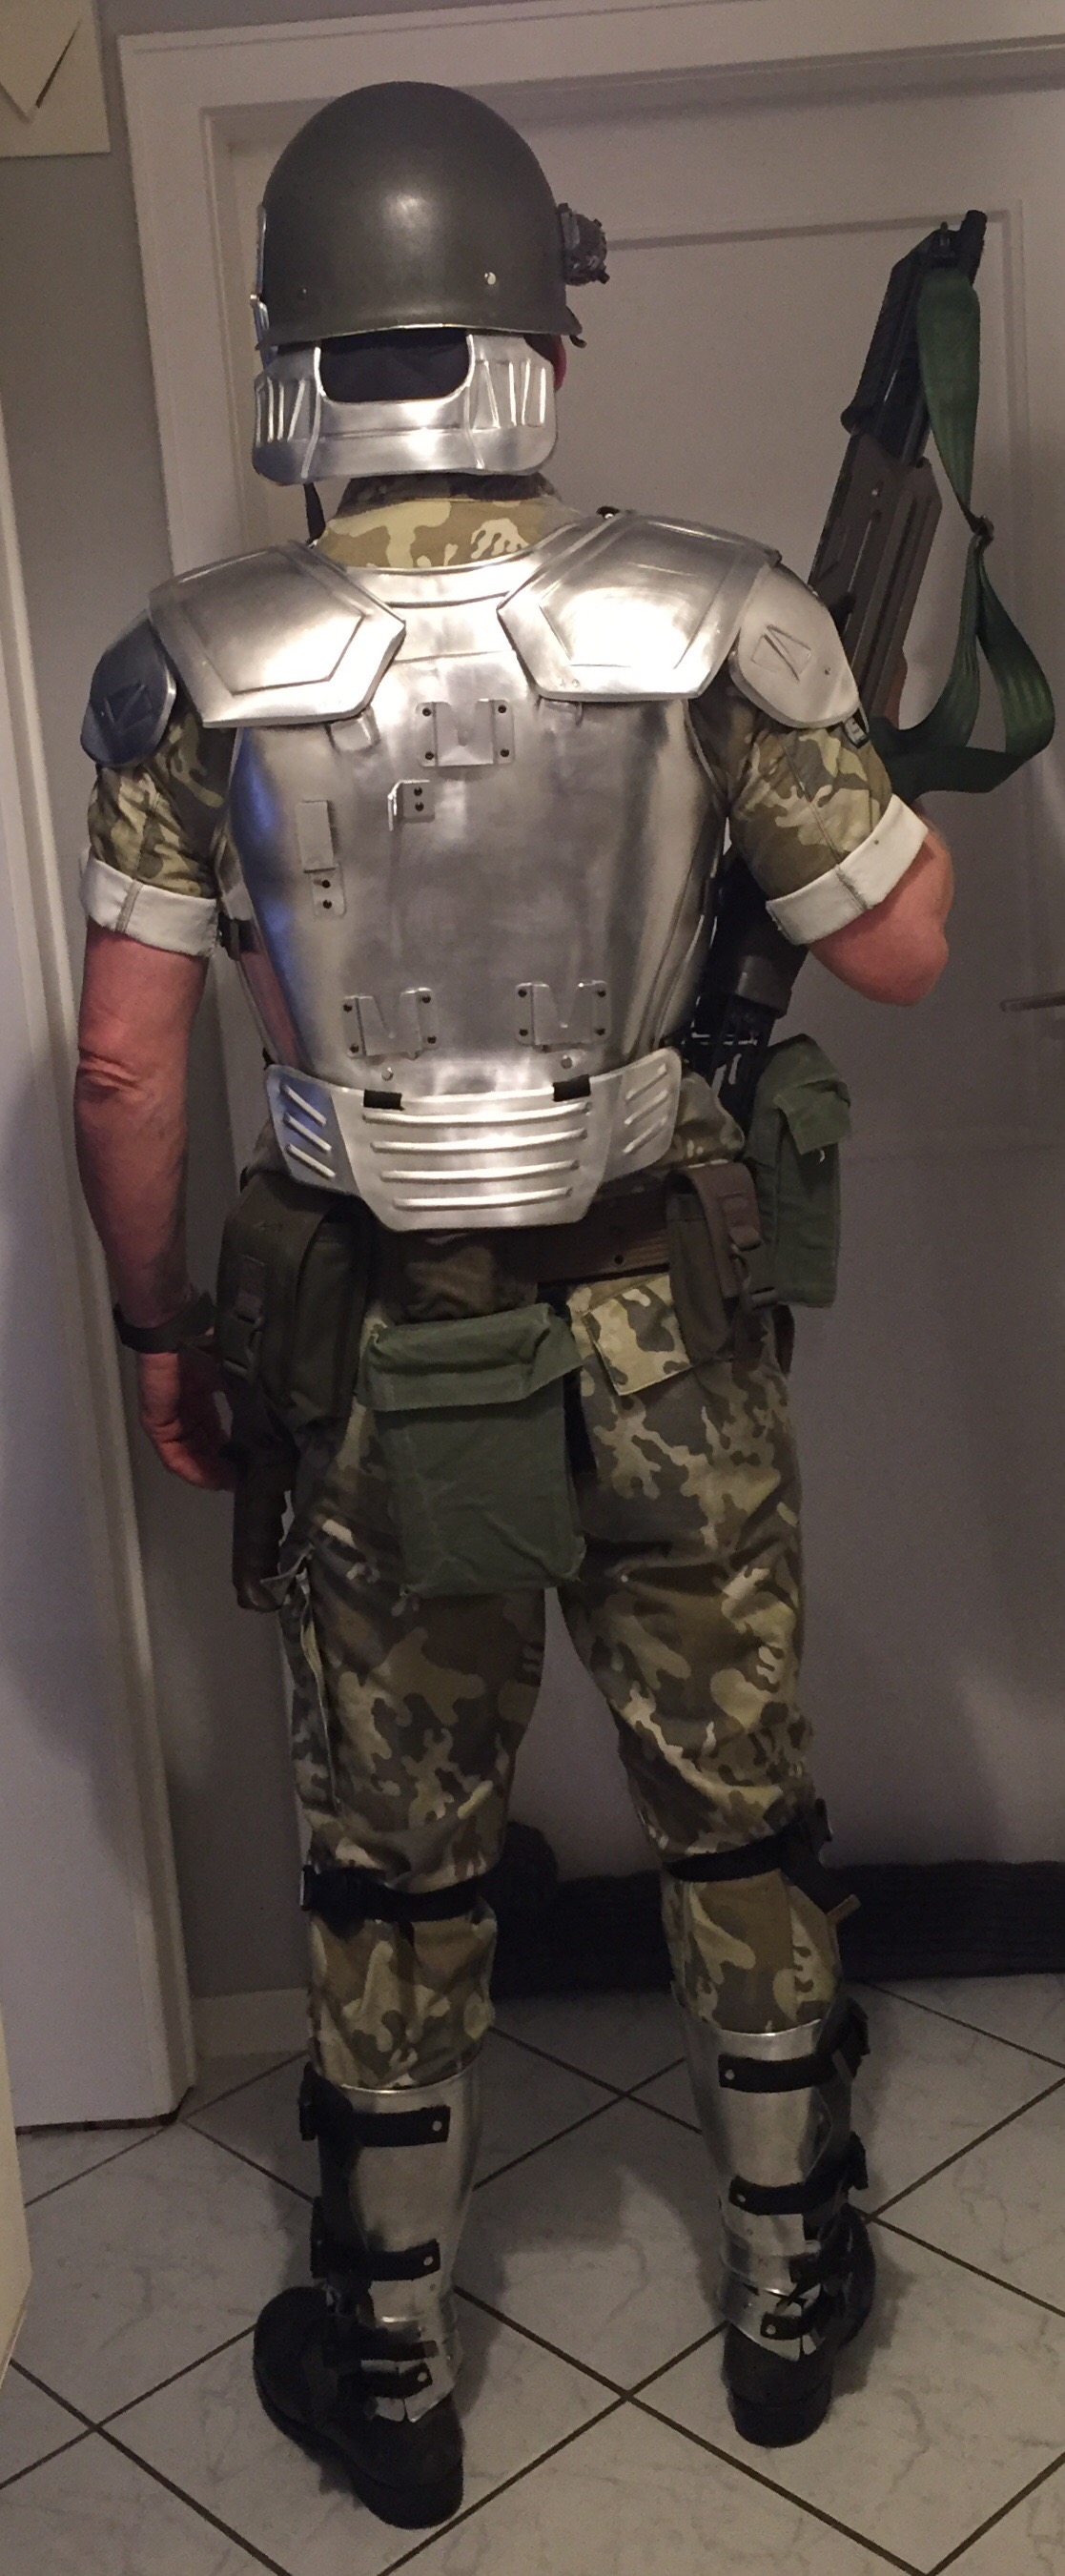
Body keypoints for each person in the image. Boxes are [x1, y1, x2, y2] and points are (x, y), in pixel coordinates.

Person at [74, 82, 953, 2532]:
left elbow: (127, 1063)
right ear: (534, 336)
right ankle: (786, 2289)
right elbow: (906, 943)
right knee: (731, 1802)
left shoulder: (187, 667)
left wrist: (157, 1324)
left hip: (367, 1357)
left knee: (393, 1841)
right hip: (664, 1320)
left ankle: (387, 2352)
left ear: (296, 354)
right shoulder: (716, 614)